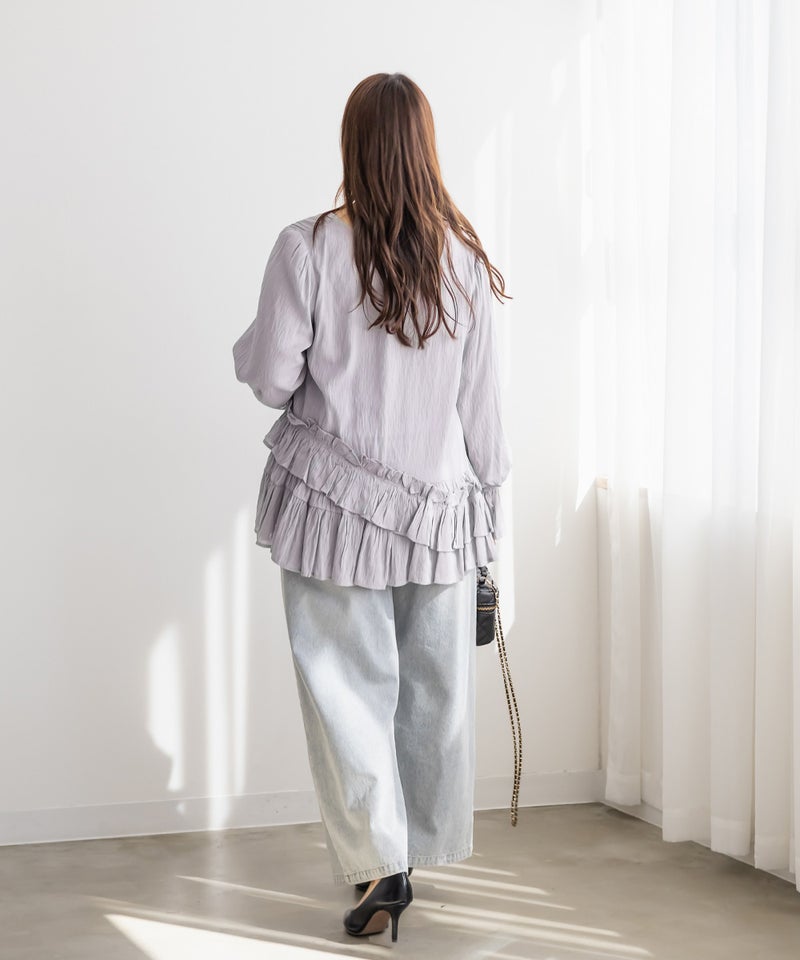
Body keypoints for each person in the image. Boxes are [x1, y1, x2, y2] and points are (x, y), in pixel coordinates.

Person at [232, 71, 512, 943]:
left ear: (352, 145)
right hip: (439, 517)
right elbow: (486, 422)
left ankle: (381, 863)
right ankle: (410, 851)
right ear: (426, 147)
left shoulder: (308, 248)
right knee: (431, 694)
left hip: (334, 506)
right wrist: (490, 534)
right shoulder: (465, 262)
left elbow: (269, 377)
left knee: (345, 691)